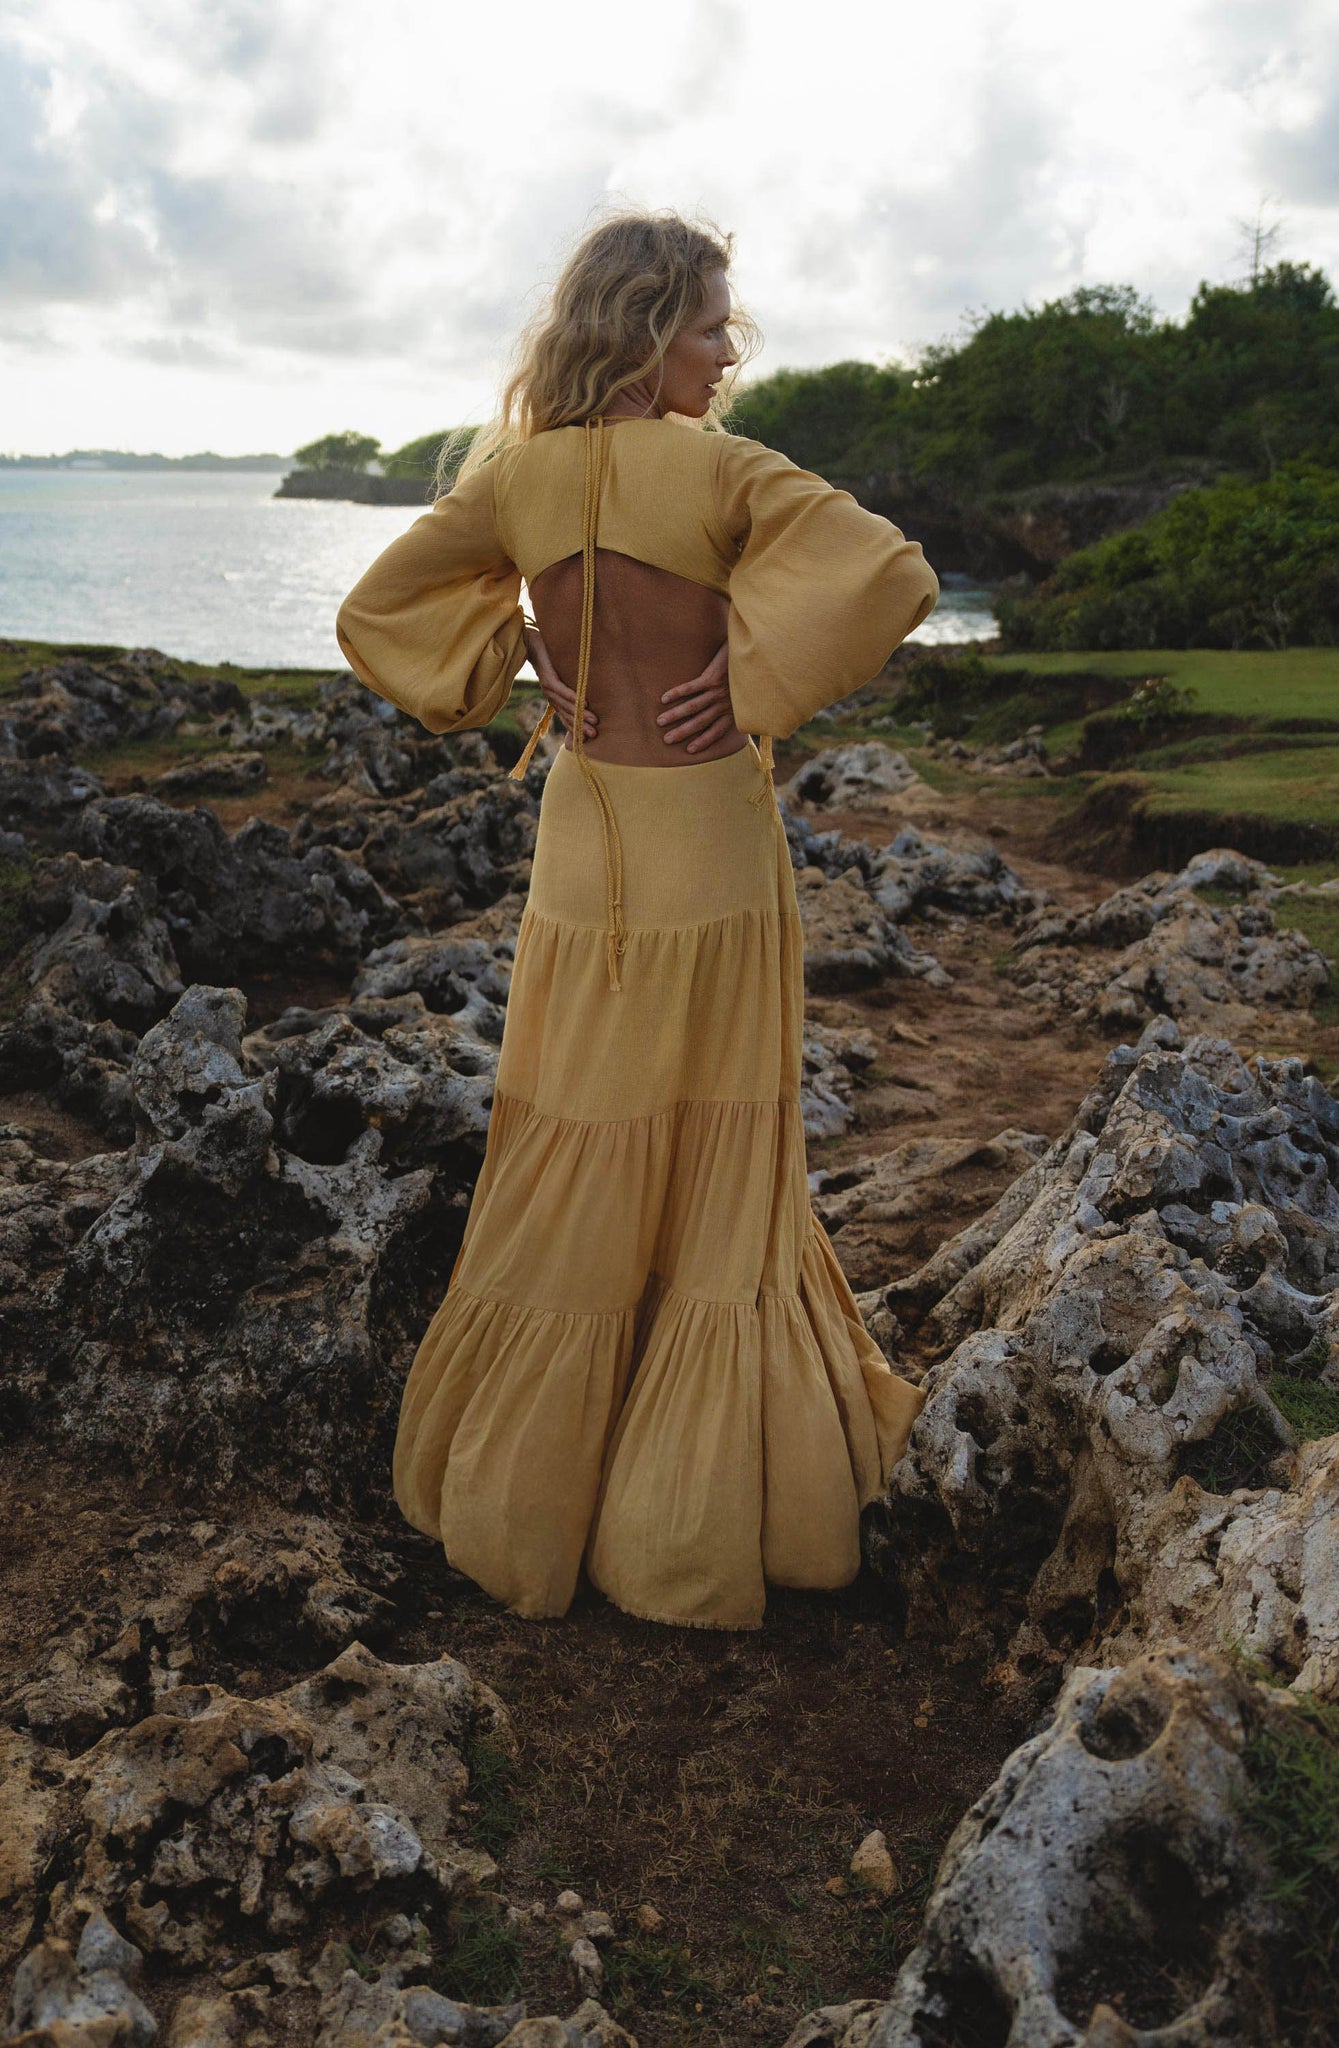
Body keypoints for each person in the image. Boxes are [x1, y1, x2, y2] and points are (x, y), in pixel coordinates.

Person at [336, 208, 940, 1630]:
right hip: (712, 851)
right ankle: (693, 1507)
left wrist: (511, 659)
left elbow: (379, 613)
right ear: (646, 326)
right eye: (711, 325)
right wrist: (748, 674)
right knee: (717, 1157)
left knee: (575, 1136)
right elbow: (891, 575)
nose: (728, 356)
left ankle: (527, 1492)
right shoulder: (727, 472)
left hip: (582, 847)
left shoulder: (519, 483)